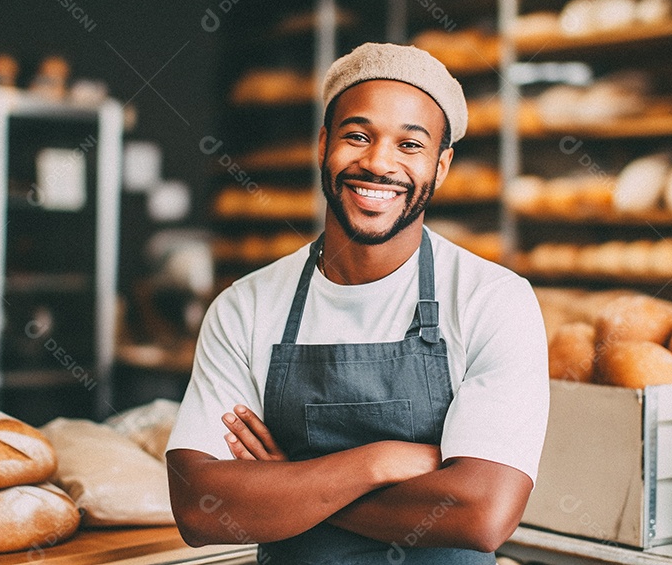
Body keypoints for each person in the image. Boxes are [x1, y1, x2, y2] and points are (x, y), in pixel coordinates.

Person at [166, 42, 549, 564]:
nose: (377, 163)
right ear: (324, 144)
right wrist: (377, 462)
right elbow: (199, 507)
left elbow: (481, 513)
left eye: (410, 145)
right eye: (357, 136)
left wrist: (287, 480)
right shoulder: (245, 308)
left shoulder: (493, 301)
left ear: (441, 165)